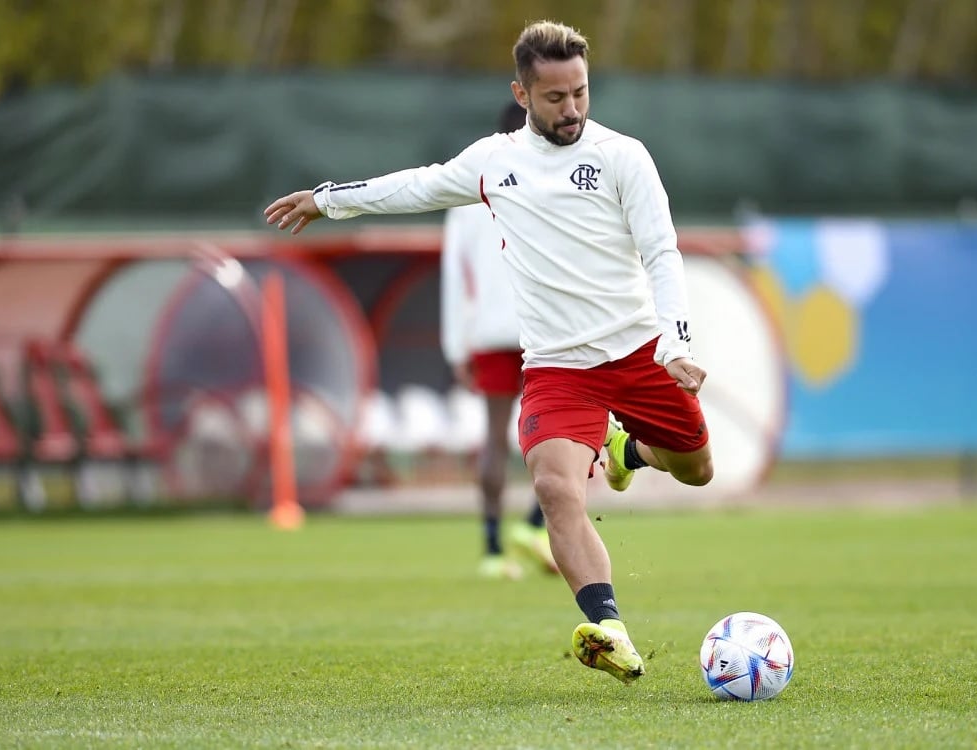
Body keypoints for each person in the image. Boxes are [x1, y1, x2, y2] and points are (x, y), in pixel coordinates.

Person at [265, 19, 713, 685]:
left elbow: (661, 251)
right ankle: (609, 626)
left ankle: (628, 452)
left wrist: (676, 340)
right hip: (559, 367)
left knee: (697, 468)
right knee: (555, 487)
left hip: (637, 351)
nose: (572, 110)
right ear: (523, 93)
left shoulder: (625, 157)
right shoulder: (495, 161)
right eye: (556, 97)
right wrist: (329, 201)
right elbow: (414, 186)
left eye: (581, 94)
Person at [441, 101, 560, 581]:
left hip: (488, 330)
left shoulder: (470, 189)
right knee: (563, 432)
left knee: (493, 438)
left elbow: (455, 274)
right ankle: (533, 527)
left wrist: (456, 345)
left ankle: (492, 551)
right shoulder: (551, 183)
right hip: (543, 328)